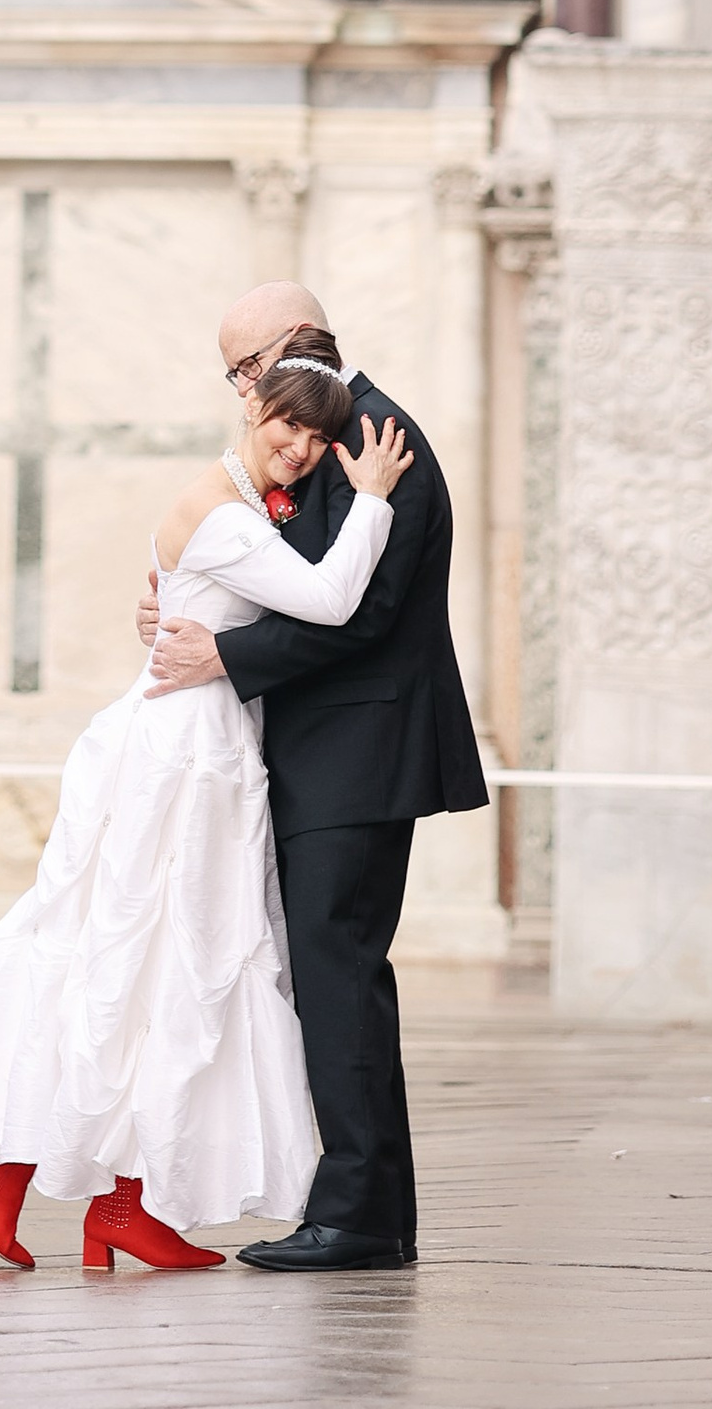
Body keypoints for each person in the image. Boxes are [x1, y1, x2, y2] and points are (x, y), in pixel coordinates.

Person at [0, 327, 415, 1275]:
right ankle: (5, 1159)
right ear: (251, 405)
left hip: (203, 745)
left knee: (167, 974)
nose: (302, 450)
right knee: (150, 962)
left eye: (321, 442)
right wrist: (367, 503)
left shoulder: (241, 502)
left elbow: (198, 595)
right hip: (182, 754)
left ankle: (112, 1199)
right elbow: (328, 603)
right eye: (289, 425)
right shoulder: (228, 514)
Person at [140, 282, 485, 1271]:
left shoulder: (371, 438)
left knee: (337, 985)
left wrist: (225, 659)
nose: (246, 400)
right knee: (339, 983)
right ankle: (371, 1211)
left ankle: (356, 1218)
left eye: (243, 371)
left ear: (287, 351)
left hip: (357, 752)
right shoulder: (337, 426)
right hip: (337, 750)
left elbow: (360, 611)